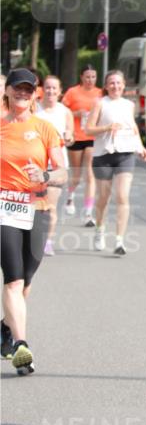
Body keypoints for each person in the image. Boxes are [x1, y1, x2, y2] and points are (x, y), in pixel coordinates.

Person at [0, 68, 67, 375]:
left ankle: (5, 328)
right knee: (13, 279)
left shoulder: (45, 128)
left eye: (29, 90)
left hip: (37, 207)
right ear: (8, 92)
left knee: (26, 280)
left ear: (35, 93)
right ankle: (21, 344)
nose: (23, 94)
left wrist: (46, 176)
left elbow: (63, 173)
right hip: (4, 209)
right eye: (18, 89)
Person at [85, 70, 146, 256]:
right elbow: (88, 129)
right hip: (103, 155)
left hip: (125, 154)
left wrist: (140, 146)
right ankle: (100, 229)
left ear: (123, 85)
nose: (115, 86)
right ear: (106, 86)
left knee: (122, 196)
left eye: (119, 83)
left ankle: (119, 240)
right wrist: (107, 128)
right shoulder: (100, 103)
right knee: (104, 198)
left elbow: (133, 127)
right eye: (111, 83)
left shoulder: (129, 105)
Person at [36, 75, 74, 256]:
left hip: (56, 166)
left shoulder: (65, 112)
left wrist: (68, 138)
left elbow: (71, 136)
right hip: (34, 165)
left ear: (60, 92)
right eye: (48, 87)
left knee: (50, 206)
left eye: (54, 88)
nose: (50, 91)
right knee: (33, 205)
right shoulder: (33, 108)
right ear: (42, 89)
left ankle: (47, 241)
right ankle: (30, 236)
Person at [62, 63, 102, 225]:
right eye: (87, 77)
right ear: (81, 77)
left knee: (90, 175)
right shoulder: (73, 92)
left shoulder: (100, 93)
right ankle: (70, 196)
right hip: (75, 137)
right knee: (76, 176)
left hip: (92, 137)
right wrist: (75, 113)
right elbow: (62, 111)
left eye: (93, 77)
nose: (90, 80)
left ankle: (88, 212)